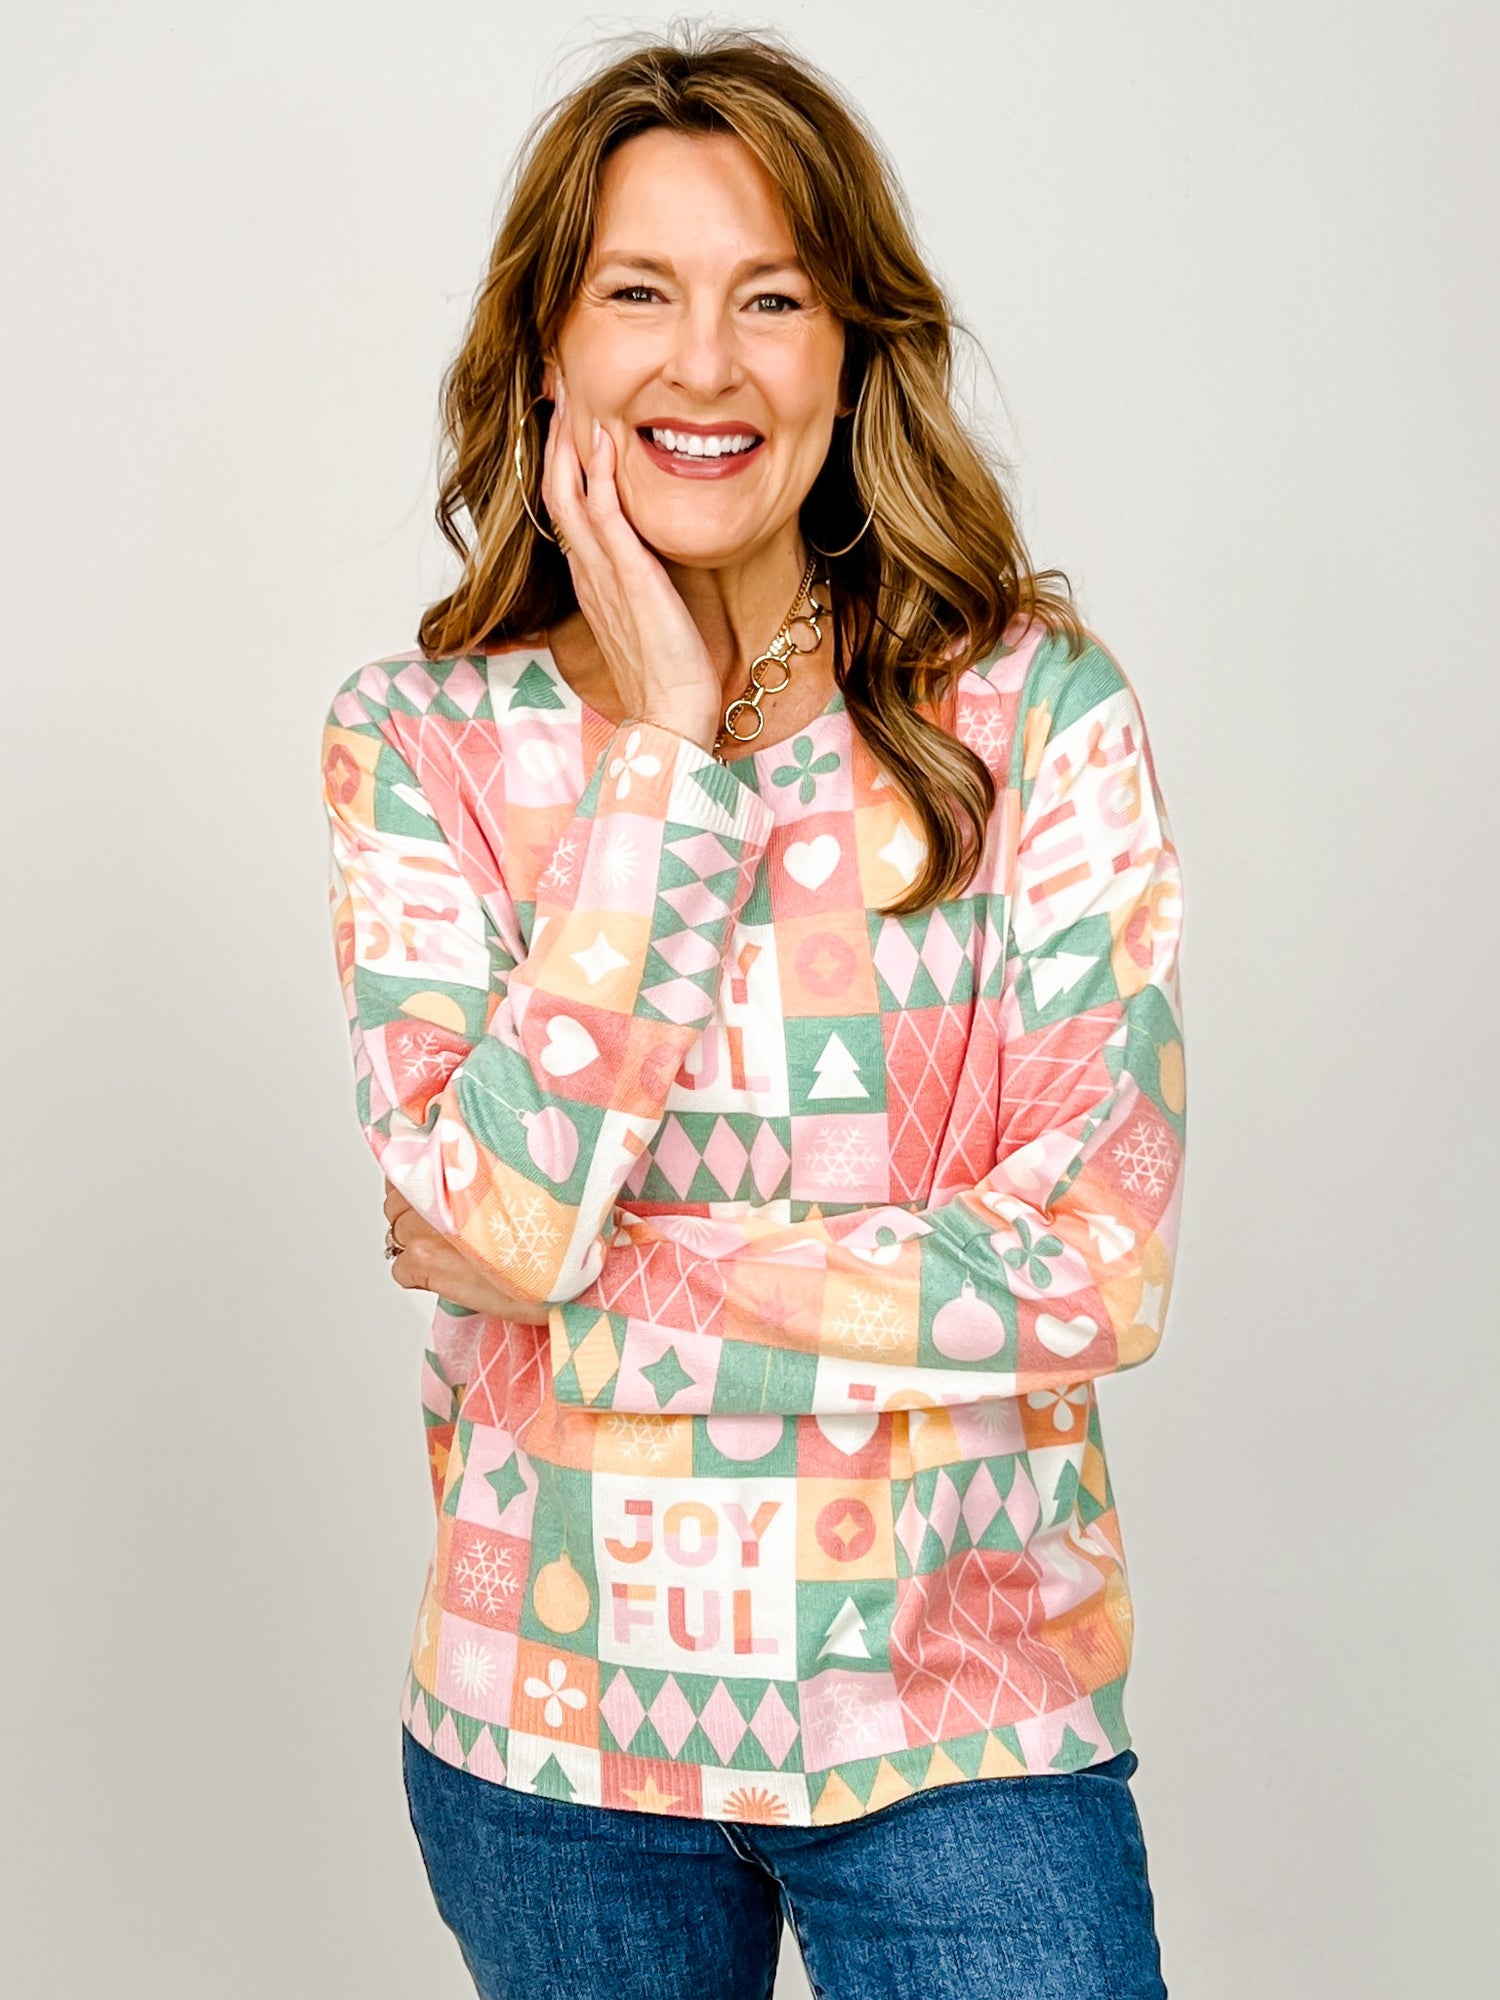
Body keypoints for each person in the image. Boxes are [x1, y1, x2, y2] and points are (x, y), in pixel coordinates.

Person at [320, 25, 1184, 2000]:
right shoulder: (421, 744)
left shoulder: (1030, 714)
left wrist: (594, 1303)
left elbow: (1095, 1261)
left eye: (771, 300)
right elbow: (496, 1220)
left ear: (852, 353)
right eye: (640, 293)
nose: (703, 364)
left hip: (963, 1707)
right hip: (550, 1741)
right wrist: (668, 752)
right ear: (549, 347)